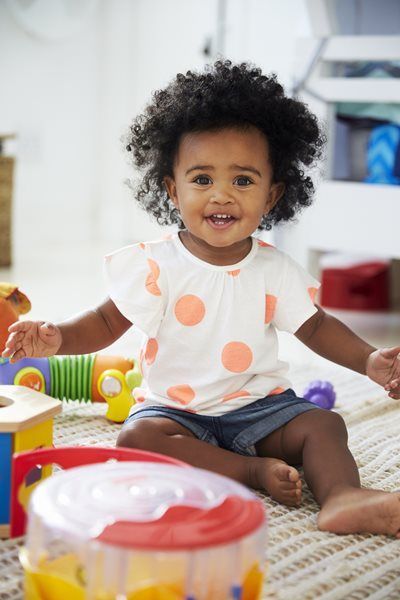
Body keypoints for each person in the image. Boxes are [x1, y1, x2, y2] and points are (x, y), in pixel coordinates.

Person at [3, 60, 400, 537]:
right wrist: (56, 337)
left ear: (272, 196)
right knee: (137, 437)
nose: (222, 196)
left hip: (260, 408)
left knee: (324, 425)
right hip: (175, 414)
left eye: (244, 181)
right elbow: (106, 323)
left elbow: (315, 327)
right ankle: (250, 472)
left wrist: (369, 359)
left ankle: (341, 498)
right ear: (172, 189)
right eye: (202, 179)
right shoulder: (155, 266)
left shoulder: (275, 269)